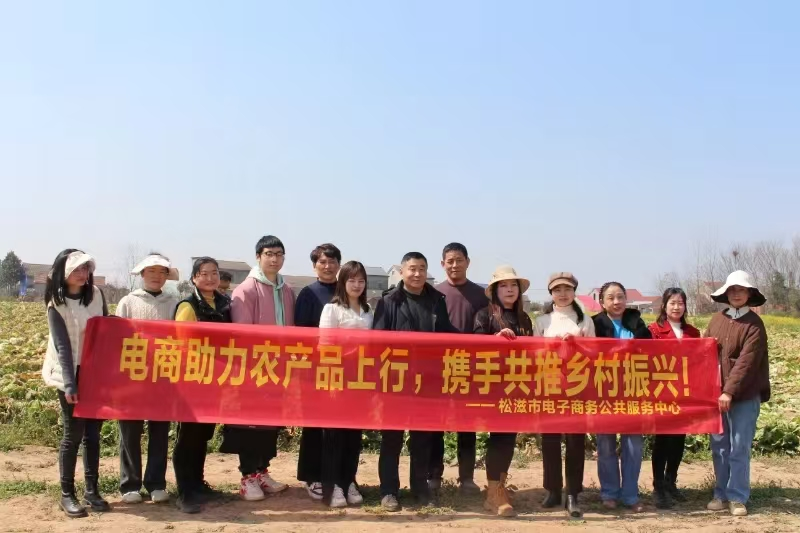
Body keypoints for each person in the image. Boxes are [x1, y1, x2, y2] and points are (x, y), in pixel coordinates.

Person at [373, 251, 459, 511]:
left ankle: (420, 489)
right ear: (402, 271)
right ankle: (389, 490)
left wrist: (485, 340)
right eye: (412, 268)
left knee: (423, 438)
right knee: (392, 439)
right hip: (396, 381)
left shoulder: (436, 300)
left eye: (422, 268)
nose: (417, 273)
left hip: (427, 381)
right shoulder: (388, 301)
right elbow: (377, 340)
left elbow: (448, 335)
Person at [41, 249, 111, 519]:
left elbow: (105, 328)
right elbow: (62, 346)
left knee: (93, 434)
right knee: (73, 435)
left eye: (85, 269)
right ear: (63, 272)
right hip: (68, 372)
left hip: (94, 372)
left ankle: (92, 490)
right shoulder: (56, 305)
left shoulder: (96, 295)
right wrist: (70, 384)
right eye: (76, 269)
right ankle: (67, 493)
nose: (82, 274)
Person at [225, 235, 295, 501]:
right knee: (250, 425)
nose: (274, 259)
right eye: (269, 254)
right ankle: (247, 477)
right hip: (255, 369)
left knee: (271, 423)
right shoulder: (246, 290)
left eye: (279, 254)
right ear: (258, 256)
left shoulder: (286, 290)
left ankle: (262, 471)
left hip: (279, 369)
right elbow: (242, 335)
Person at [704, 271, 770, 517]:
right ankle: (720, 494)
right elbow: (704, 351)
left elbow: (746, 363)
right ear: (726, 294)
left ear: (749, 294)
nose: (736, 294)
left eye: (741, 290)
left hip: (745, 395)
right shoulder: (716, 320)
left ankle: (737, 496)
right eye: (732, 290)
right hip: (716, 394)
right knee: (719, 446)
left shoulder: (754, 324)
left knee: (739, 446)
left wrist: (729, 391)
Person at [115, 254, 179, 505]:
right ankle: (129, 484)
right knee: (130, 430)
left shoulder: (174, 303)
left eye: (162, 272)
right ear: (142, 274)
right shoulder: (128, 302)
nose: (156, 276)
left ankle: (156, 483)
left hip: (163, 375)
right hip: (132, 375)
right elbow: (116, 337)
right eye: (151, 271)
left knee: (160, 431)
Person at [533, 272, 595, 518]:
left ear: (574, 292)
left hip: (577, 387)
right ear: (551, 293)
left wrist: (576, 343)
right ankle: (552, 490)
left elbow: (594, 353)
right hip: (550, 385)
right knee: (549, 440)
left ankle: (573, 493)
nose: (562, 294)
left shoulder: (585, 321)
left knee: (575, 441)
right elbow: (534, 353)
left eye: (567, 289)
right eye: (557, 290)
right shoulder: (542, 321)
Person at [172, 257, 230, 513]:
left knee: (203, 434)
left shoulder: (225, 304)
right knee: (188, 436)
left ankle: (198, 483)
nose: (210, 278)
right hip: (193, 380)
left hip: (216, 379)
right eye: (204, 274)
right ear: (194, 278)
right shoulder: (188, 306)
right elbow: (183, 347)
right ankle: (185, 491)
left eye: (214, 273)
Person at [474, 265, 533, 518]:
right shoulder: (484, 315)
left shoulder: (525, 319)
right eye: (503, 286)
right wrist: (495, 339)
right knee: (498, 437)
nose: (509, 290)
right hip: (494, 385)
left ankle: (500, 485)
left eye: (513, 285)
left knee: (509, 437)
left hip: (517, 384)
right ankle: (493, 493)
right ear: (495, 291)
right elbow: (473, 348)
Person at [430, 243, 487, 495]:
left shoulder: (481, 295)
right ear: (442, 264)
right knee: (436, 425)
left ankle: (466, 477)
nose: (455, 265)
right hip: (438, 368)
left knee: (467, 425)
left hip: (469, 368)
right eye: (450, 261)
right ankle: (434, 475)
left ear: (468, 262)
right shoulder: (434, 293)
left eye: (459, 260)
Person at [317, 260, 373, 508]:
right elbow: (325, 347)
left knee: (353, 436)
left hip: (360, 381)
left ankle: (349, 480)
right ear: (343, 282)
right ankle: (334, 487)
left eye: (361, 281)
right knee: (334, 436)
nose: (357, 285)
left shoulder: (368, 310)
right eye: (352, 280)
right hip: (336, 379)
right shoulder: (332, 309)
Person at [592, 282, 651, 513]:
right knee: (605, 444)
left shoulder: (637, 322)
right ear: (602, 302)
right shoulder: (595, 324)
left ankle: (630, 494)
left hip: (633, 390)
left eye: (620, 297)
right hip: (603, 391)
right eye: (611, 297)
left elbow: (651, 352)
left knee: (633, 445)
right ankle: (609, 493)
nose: (616, 302)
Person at [647, 287, 701, 509]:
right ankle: (658, 486)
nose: (677, 307)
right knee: (662, 440)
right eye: (672, 303)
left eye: (680, 303)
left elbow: (699, 361)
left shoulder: (693, 332)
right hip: (662, 391)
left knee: (679, 439)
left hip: (684, 393)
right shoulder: (653, 330)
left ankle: (671, 482)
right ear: (664, 306)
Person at [295, 243, 341, 501]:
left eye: (332, 261)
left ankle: (338, 475)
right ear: (314, 266)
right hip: (316, 368)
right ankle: (311, 476)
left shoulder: (345, 290)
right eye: (322, 262)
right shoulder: (308, 293)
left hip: (344, 370)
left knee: (339, 425)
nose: (328, 266)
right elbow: (301, 334)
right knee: (314, 424)